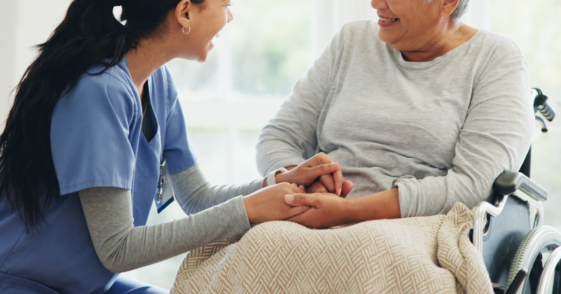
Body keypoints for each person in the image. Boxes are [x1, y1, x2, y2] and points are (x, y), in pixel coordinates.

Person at [0, 0, 344, 293]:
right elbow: (118, 249)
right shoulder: (99, 91)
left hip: (86, 285)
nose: (229, 17)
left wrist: (282, 183)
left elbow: (196, 197)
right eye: (226, 5)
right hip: (24, 280)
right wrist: (250, 209)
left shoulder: (158, 83)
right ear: (185, 12)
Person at [257, 0, 535, 228]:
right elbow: (279, 136)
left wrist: (348, 211)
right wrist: (302, 182)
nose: (375, 3)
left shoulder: (496, 59)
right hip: (313, 215)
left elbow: (473, 185)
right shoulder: (351, 41)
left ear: (447, 3)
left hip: (417, 228)